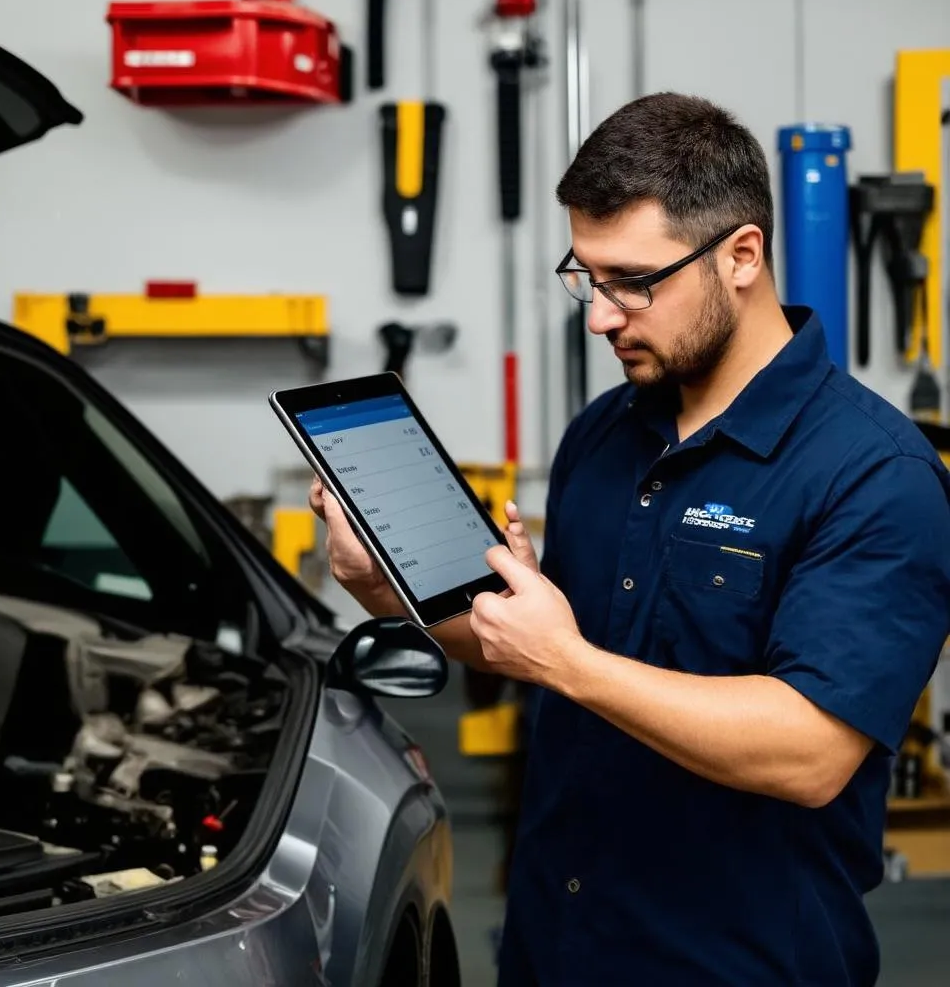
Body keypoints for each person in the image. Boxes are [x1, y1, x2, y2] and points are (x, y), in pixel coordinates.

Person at [309, 92, 950, 986]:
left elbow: (809, 752)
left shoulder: (875, 474)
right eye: (586, 276)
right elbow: (530, 651)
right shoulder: (605, 434)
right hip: (556, 948)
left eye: (633, 282)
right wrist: (385, 590)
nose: (600, 316)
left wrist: (569, 661)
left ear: (742, 256)